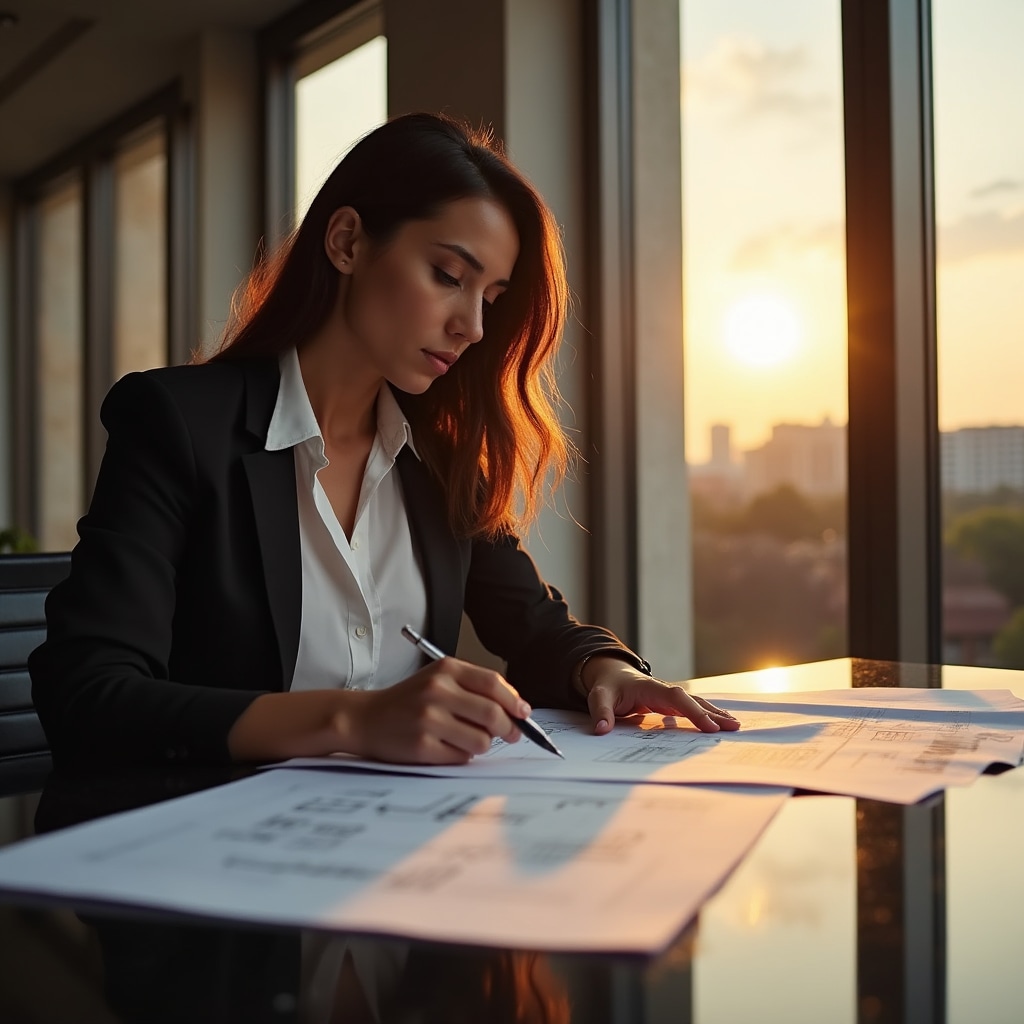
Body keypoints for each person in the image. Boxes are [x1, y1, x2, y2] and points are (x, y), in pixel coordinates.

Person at [29, 112, 739, 768]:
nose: (473, 327)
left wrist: (607, 671)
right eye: (447, 277)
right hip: (195, 856)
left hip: (387, 854)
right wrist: (354, 721)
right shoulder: (177, 424)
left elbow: (536, 626)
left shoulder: (438, 454)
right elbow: (89, 696)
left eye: (490, 299)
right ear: (346, 242)